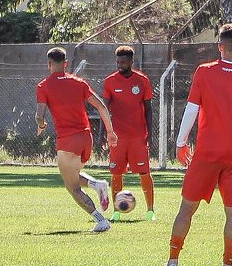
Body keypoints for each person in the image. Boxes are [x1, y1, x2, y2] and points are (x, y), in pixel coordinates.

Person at [165, 23, 232, 266]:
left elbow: (191, 109)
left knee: (186, 208)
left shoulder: (204, 72)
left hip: (207, 152)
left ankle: (173, 263)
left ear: (219, 46)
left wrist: (180, 142)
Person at [37, 46, 118, 232]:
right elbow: (101, 107)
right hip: (85, 138)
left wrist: (41, 125)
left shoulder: (43, 86)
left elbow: (39, 115)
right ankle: (97, 184)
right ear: (65, 64)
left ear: (49, 64)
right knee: (72, 174)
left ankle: (101, 220)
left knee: (72, 187)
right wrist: (111, 132)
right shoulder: (79, 82)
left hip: (67, 140)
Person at [101, 45, 158, 221]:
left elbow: (148, 109)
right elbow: (104, 109)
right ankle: (116, 212)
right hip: (117, 137)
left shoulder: (142, 81)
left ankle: (150, 211)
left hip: (137, 136)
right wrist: (103, 133)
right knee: (116, 173)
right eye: (118, 61)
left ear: (131, 62)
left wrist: (150, 132)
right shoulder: (110, 81)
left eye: (123, 62)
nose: (120, 65)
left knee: (144, 172)